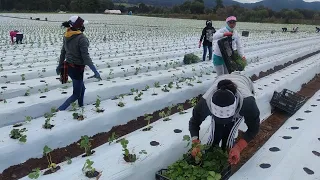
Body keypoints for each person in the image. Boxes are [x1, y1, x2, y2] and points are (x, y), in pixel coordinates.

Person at [189, 73, 260, 165]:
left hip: (243, 81)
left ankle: (228, 156)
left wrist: (238, 147)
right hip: (221, 80)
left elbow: (254, 128)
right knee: (215, 134)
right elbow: (194, 122)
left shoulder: (247, 103)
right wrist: (196, 144)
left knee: (229, 136)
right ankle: (211, 156)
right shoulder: (205, 103)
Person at [56, 16, 101, 111]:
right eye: (82, 25)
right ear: (79, 26)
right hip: (77, 69)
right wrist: (95, 71)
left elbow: (63, 52)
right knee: (76, 94)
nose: (84, 26)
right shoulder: (81, 38)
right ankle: (59, 110)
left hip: (69, 67)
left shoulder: (67, 34)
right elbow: (86, 57)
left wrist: (59, 65)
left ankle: (81, 106)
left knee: (82, 89)